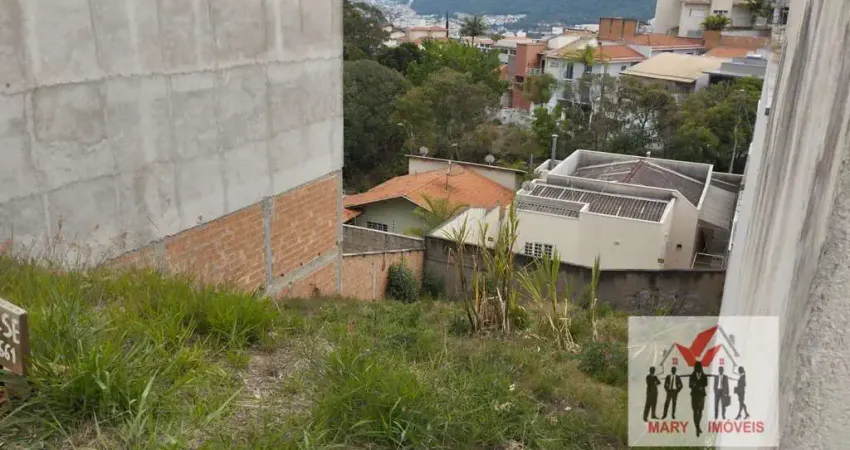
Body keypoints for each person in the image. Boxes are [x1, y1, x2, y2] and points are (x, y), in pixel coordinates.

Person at [689, 362, 709, 437]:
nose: (698, 369)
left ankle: (697, 426)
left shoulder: (704, 375)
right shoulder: (692, 376)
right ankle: (697, 428)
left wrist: (701, 386)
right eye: (697, 367)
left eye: (699, 367)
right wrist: (693, 385)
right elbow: (690, 385)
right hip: (694, 395)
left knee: (700, 411)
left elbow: (706, 383)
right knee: (695, 411)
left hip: (701, 395)